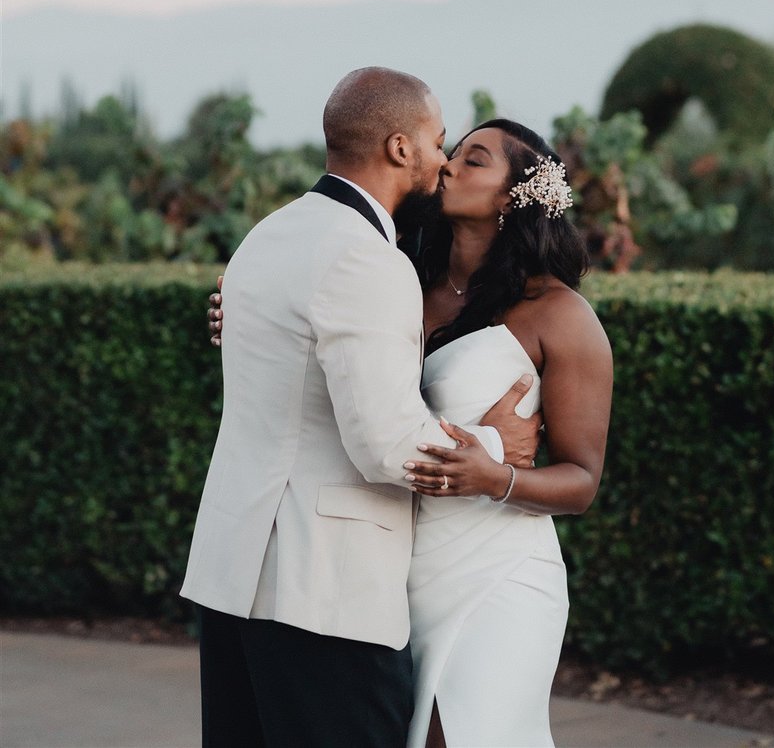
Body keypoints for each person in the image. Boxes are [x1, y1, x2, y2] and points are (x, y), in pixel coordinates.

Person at [211, 116, 614, 748]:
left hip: (496, 572)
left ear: (515, 195)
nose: (449, 164)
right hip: (399, 569)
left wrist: (497, 475)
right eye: (452, 152)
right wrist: (246, 316)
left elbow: (582, 479)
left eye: (474, 160)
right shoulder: (397, 279)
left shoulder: (560, 314)